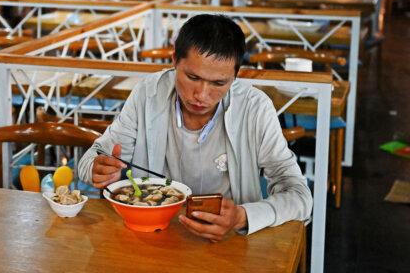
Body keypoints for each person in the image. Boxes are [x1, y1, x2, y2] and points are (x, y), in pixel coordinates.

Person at [78, 14, 312, 242]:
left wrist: (242, 217)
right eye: (192, 77)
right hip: (153, 237)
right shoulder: (149, 94)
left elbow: (300, 196)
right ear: (174, 61)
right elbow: (93, 159)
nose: (201, 95)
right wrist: (99, 169)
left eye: (219, 83)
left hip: (229, 243)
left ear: (234, 77)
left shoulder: (255, 108)